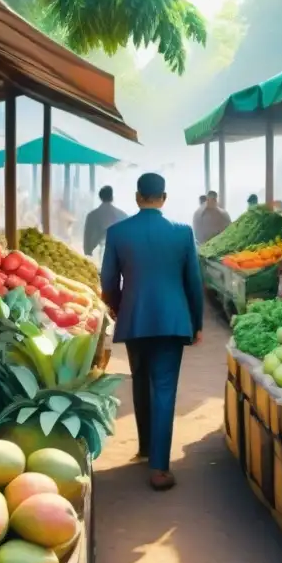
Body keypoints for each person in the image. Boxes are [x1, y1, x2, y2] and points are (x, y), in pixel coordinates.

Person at [101, 172, 204, 491]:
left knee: (140, 379)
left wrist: (119, 308)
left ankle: (145, 446)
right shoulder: (182, 232)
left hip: (135, 320)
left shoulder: (118, 232)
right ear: (164, 197)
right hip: (172, 323)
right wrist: (196, 322)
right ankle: (159, 467)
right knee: (163, 388)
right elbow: (193, 283)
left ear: (137, 197)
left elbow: (107, 282)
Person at [83, 185, 127, 256]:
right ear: (112, 198)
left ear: (100, 197)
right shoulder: (121, 215)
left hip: (96, 253)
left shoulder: (92, 215)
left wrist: (87, 252)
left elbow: (87, 237)